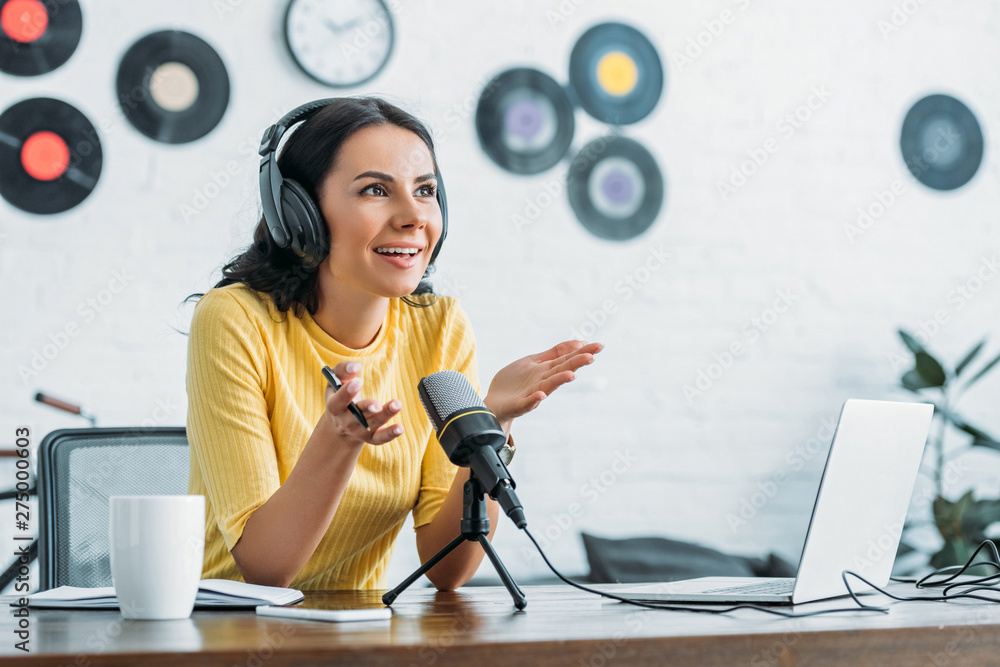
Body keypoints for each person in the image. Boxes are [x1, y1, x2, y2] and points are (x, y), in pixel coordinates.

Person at [185, 97, 601, 591]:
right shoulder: (235, 320)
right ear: (300, 214)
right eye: (376, 190)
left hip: (358, 634)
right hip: (227, 634)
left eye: (425, 190)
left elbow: (447, 570)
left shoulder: (438, 326)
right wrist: (337, 441)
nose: (412, 216)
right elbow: (266, 570)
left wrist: (493, 420)